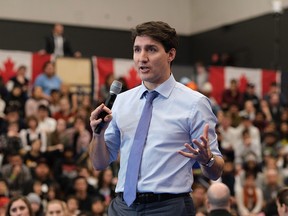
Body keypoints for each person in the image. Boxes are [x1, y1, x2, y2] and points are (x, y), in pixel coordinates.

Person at [89, 21, 224, 216]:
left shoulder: (195, 103)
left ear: (171, 54)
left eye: (151, 50)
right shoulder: (122, 101)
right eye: (137, 50)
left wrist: (208, 159)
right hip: (122, 207)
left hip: (169, 207)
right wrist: (97, 134)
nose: (142, 58)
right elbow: (99, 163)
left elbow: (216, 171)